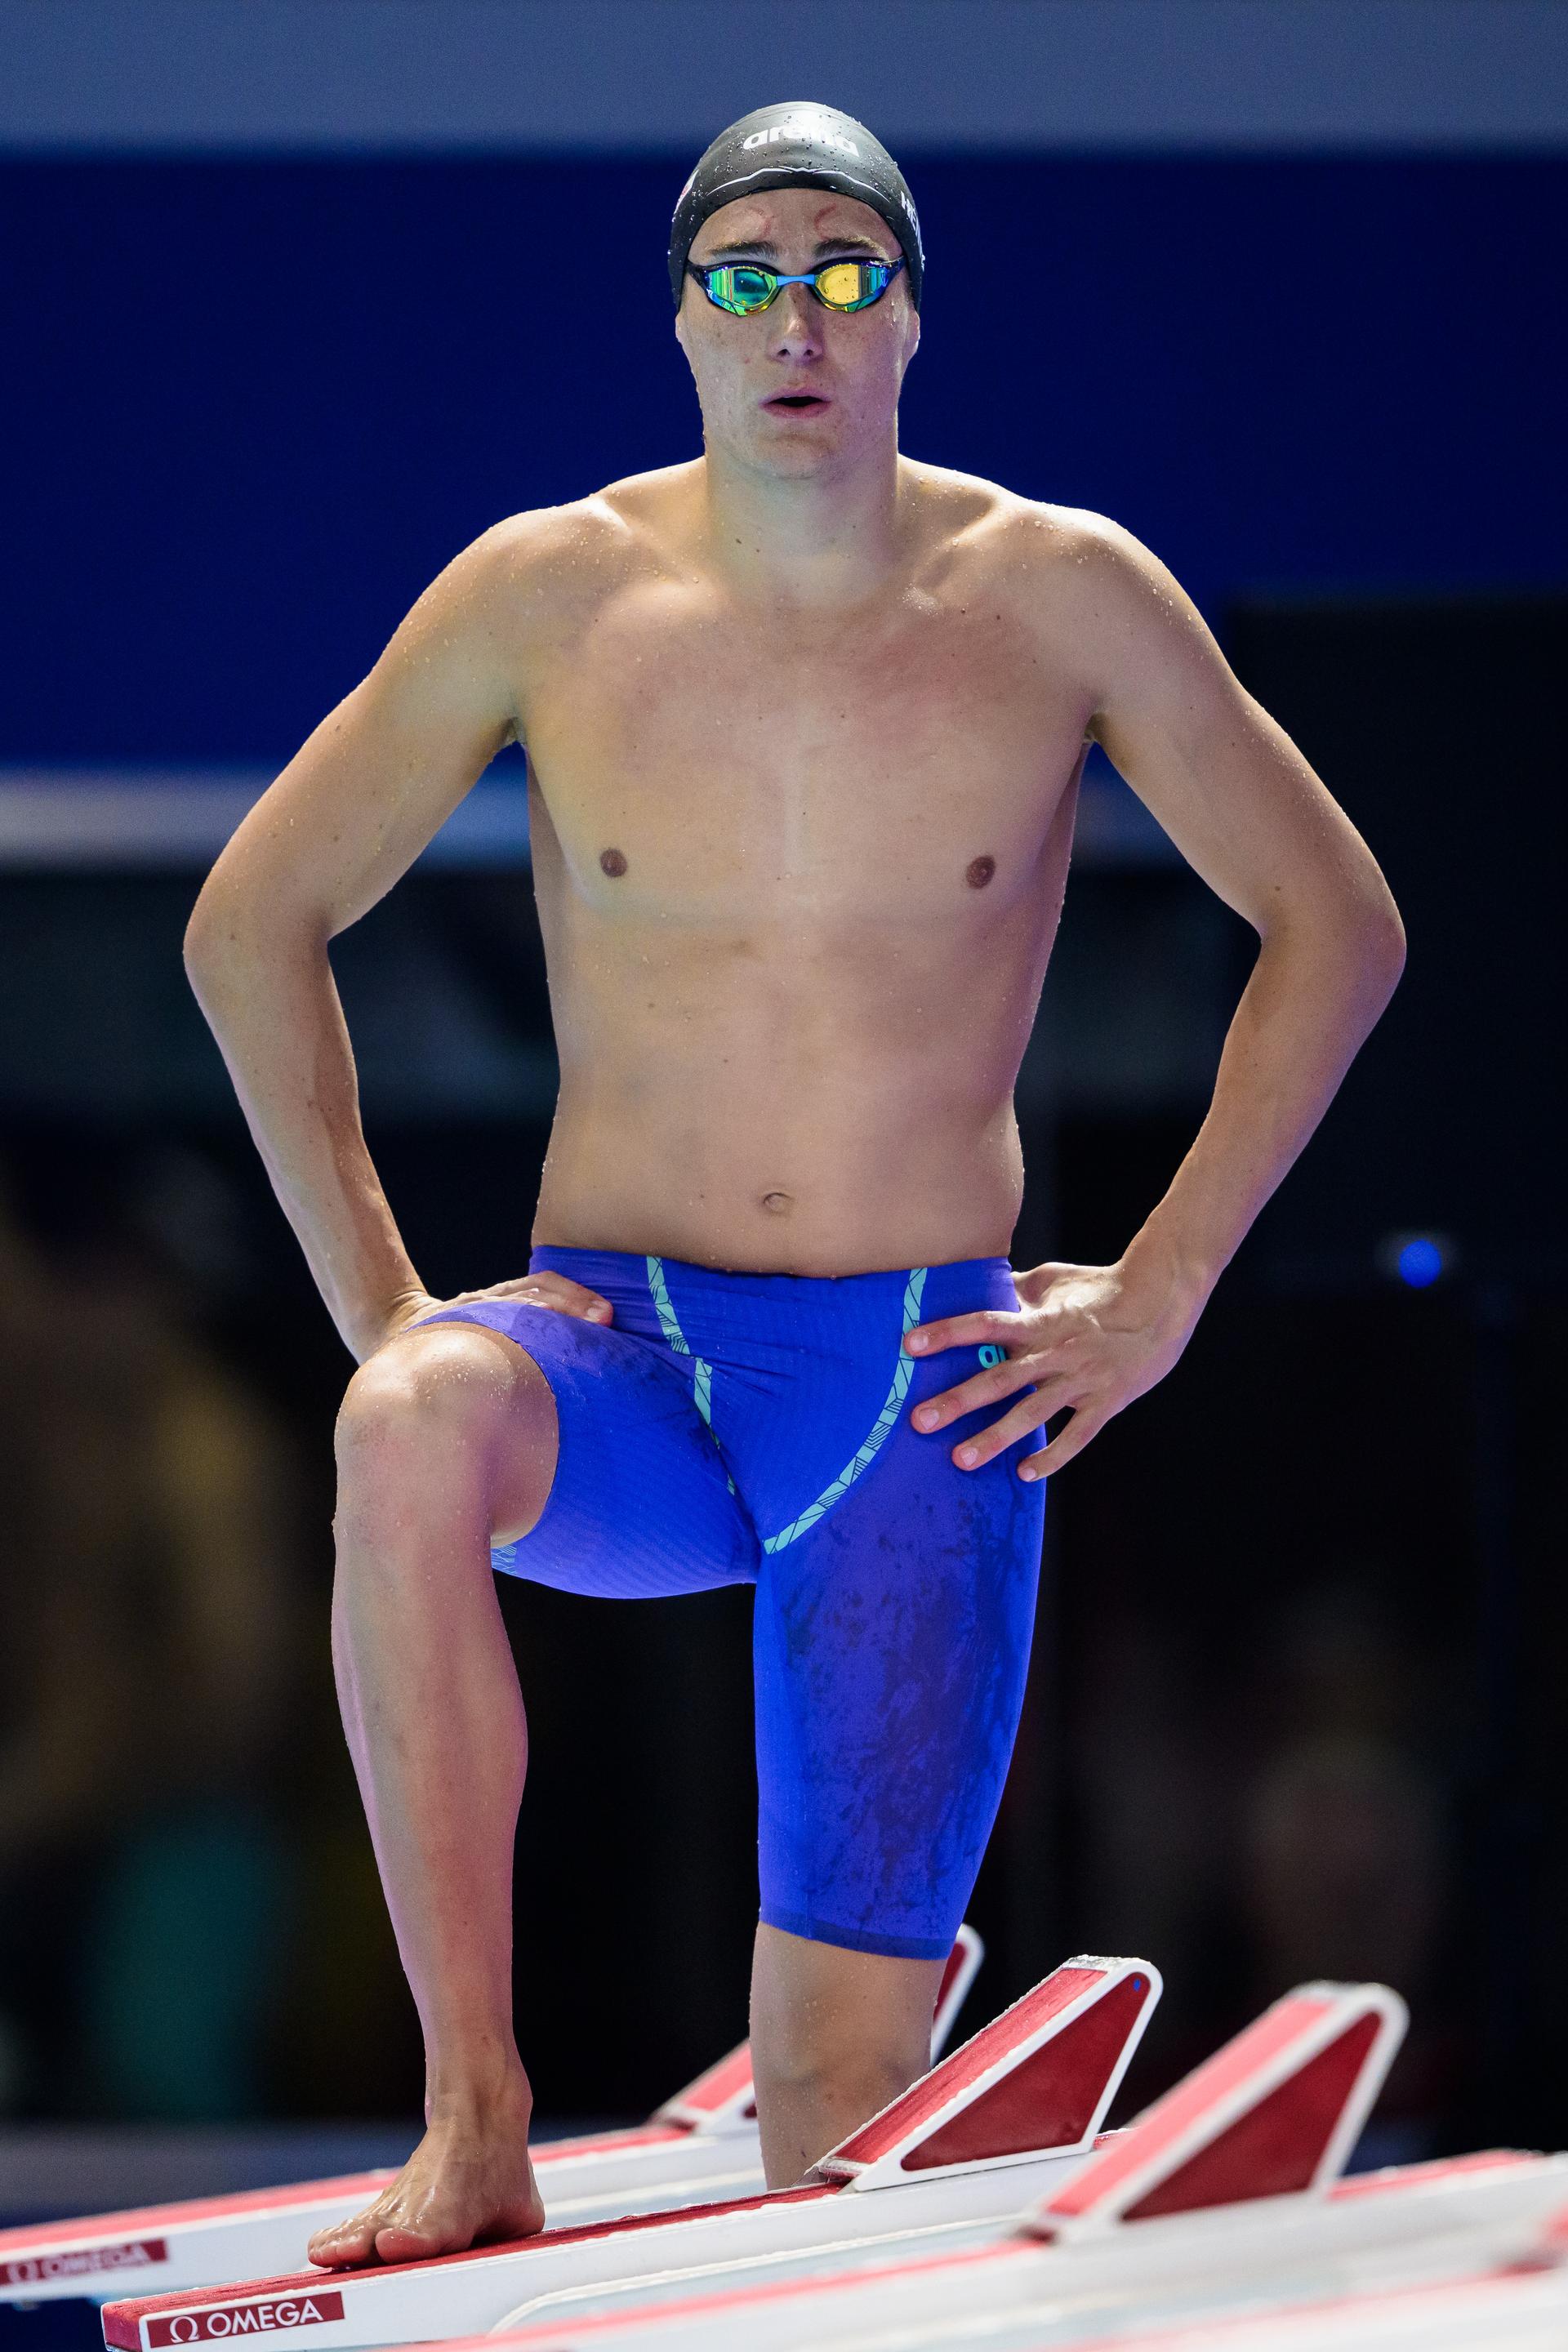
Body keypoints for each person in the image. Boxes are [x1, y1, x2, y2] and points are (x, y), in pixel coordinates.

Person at [182, 101, 1405, 2264]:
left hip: (915, 1395)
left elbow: (1342, 921)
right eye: (745, 274)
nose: (797, 319)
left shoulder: (1061, 592)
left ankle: (866, 2091)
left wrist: (1162, 1291)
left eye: (846, 270)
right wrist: (392, 1310)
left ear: (914, 314)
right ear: (682, 323)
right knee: (402, 1424)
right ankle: (476, 2113)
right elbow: (246, 923)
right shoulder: (551, 592)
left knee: (831, 2113)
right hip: (619, 1353)